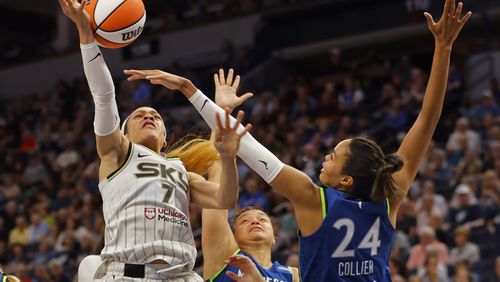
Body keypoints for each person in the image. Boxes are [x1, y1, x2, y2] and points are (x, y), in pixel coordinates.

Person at [125, 0, 471, 280]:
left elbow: (250, 148)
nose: (325, 158)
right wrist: (443, 49)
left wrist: (191, 91)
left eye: (333, 157)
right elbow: (427, 120)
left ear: (346, 179)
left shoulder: (313, 199)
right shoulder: (390, 195)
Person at [57, 0, 251, 281]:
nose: (149, 115)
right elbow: (103, 95)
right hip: (127, 274)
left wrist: (229, 157)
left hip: (180, 275)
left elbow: (226, 198)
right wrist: (86, 34)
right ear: (122, 134)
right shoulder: (117, 153)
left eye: (156, 116)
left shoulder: (182, 172)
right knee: (88, 264)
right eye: (139, 115)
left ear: (163, 140)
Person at [202, 144, 298, 282]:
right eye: (245, 221)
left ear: (274, 238)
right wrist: (224, 153)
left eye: (263, 219)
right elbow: (215, 194)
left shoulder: (293, 275)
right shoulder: (224, 258)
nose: (255, 221)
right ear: (234, 237)